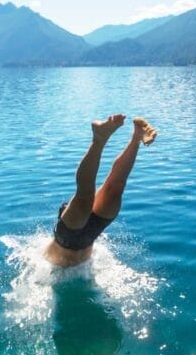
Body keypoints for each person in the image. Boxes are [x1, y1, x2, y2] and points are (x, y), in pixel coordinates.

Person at [45, 114, 157, 268]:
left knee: (95, 193)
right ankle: (135, 137)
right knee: (112, 190)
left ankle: (102, 139)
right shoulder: (40, 257)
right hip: (80, 237)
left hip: (73, 237)